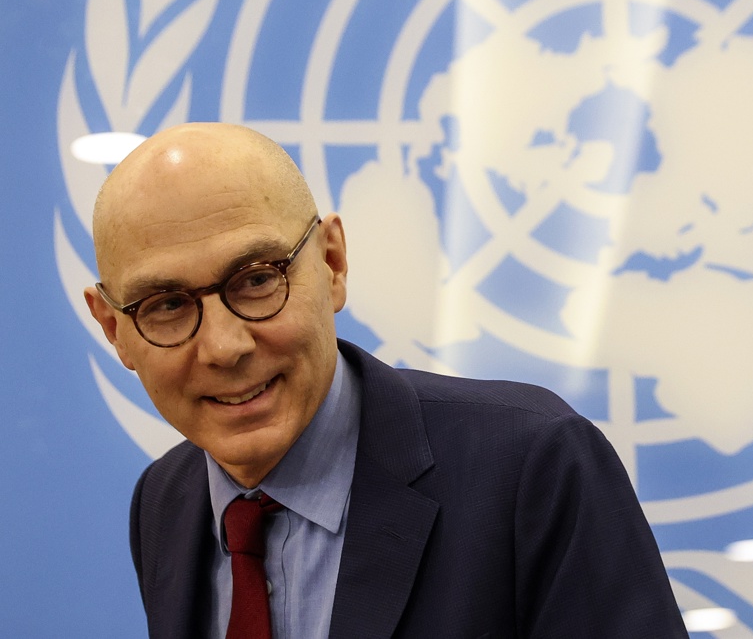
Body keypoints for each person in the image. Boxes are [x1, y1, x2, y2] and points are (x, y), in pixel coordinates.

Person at [84, 122, 687, 639]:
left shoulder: (535, 466)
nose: (223, 346)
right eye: (165, 305)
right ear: (115, 330)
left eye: (257, 279)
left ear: (332, 263)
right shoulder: (164, 502)